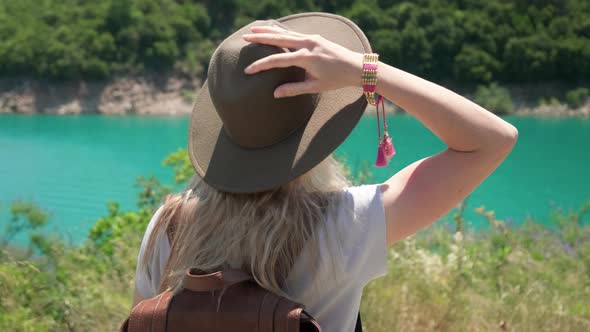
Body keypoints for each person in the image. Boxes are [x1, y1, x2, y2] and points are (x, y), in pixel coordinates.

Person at [132, 13, 518, 332]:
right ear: (312, 134)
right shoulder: (346, 224)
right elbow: (491, 140)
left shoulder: (168, 226)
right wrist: (365, 70)